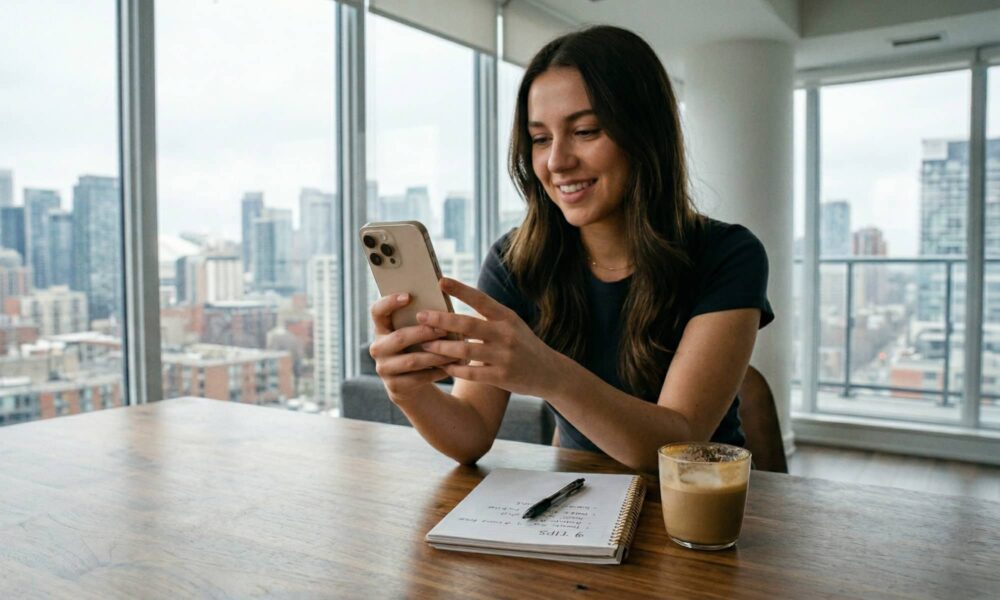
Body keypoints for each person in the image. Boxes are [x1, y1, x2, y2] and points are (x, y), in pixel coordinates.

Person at [368, 25, 774, 473]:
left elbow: (677, 444)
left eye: (585, 130)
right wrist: (409, 390)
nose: (557, 161)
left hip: (700, 507)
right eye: (540, 138)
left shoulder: (729, 254)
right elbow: (471, 433)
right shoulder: (515, 263)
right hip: (579, 503)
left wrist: (548, 373)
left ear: (644, 135)